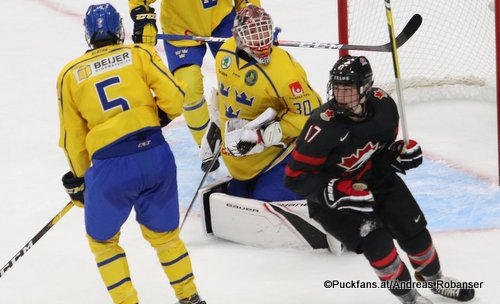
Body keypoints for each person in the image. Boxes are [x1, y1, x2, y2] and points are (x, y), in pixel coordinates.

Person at [284, 55, 475, 304]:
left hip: (375, 178)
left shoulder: (384, 107)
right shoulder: (321, 127)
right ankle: (410, 298)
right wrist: (335, 191)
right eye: (337, 88)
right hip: (336, 201)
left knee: (414, 230)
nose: (340, 95)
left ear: (365, 88)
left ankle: (436, 280)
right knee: (379, 245)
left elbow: (380, 153)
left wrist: (397, 155)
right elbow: (295, 178)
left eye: (348, 89)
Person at [57, 4, 206, 304]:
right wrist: (155, 117)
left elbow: (72, 138)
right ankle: (190, 298)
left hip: (110, 168)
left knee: (103, 242)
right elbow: (177, 99)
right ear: (119, 31)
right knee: (166, 238)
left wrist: (80, 179)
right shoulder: (140, 53)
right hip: (155, 156)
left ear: (88, 35)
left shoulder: (70, 75)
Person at [212, 4, 322, 201]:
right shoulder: (224, 54)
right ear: (238, 37)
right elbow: (224, 96)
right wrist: (215, 127)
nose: (261, 41)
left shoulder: (284, 72)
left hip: (277, 157)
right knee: (236, 198)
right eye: (252, 33)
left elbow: (311, 112)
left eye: (263, 31)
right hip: (241, 162)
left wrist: (270, 132)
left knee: (263, 203)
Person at [128, 0, 261, 156]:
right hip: (180, 27)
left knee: (244, 78)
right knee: (189, 89)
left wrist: (251, 11)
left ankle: (255, 133)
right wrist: (142, 16)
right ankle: (208, 147)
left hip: (222, 20)